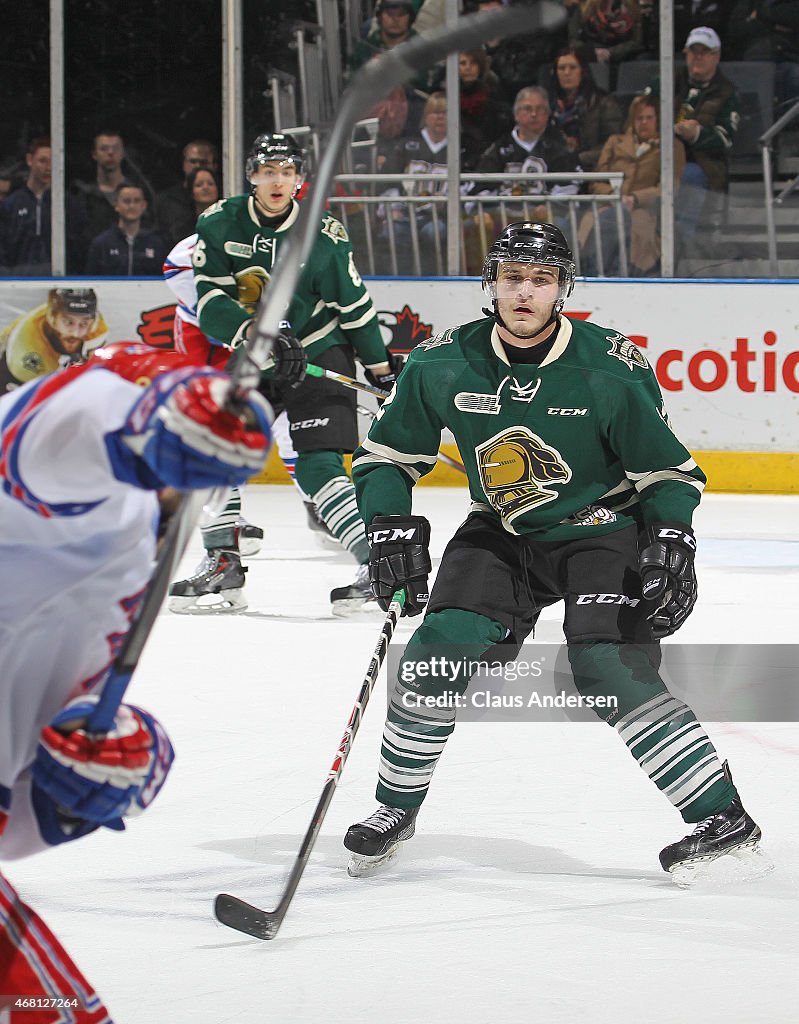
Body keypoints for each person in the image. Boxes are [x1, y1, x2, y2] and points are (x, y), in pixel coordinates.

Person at [343, 221, 763, 881]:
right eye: (511, 277)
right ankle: (394, 808)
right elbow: (386, 456)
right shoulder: (440, 360)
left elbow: (667, 473)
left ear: (562, 288)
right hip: (503, 530)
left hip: (604, 528)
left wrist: (671, 535)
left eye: (540, 279)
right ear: (490, 284)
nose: (524, 292)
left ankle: (719, 815)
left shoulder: (608, 366)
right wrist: (388, 521)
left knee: (604, 664)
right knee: (432, 652)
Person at [0, 340, 272, 1015]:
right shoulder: (94, 497)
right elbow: (37, 439)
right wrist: (132, 430)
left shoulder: (130, 549)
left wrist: (75, 793)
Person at [167, 132, 399, 616]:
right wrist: (255, 333)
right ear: (251, 175)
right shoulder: (218, 221)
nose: (278, 181)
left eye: (287, 172)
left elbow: (353, 305)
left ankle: (375, 567)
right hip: (257, 350)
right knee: (214, 447)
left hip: (319, 346)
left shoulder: (323, 233)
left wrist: (379, 367)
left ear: (299, 180)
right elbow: (209, 300)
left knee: (317, 466)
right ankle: (222, 563)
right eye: (268, 171)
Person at [642, 26, 740, 247]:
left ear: (716, 56)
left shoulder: (727, 92)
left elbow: (725, 138)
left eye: (704, 52)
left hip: (702, 162)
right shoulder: (666, 80)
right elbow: (641, 112)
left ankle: (677, 244)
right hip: (657, 153)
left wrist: (697, 134)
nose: (697, 57)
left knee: (688, 175)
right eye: (693, 51)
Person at [578, 95, 685, 275]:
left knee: (636, 230)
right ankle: (589, 272)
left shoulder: (672, 146)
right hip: (608, 204)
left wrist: (635, 199)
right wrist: (614, 197)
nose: (644, 123)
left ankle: (623, 274)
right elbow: (597, 181)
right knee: (593, 222)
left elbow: (668, 187)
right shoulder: (614, 142)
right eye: (639, 118)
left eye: (649, 118)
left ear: (658, 120)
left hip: (644, 210)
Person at [378, 91, 452, 275]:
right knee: (392, 232)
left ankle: (436, 282)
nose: (440, 118)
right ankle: (398, 282)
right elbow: (388, 180)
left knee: (435, 232)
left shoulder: (460, 147)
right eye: (435, 112)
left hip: (439, 217)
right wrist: (391, 209)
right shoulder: (407, 145)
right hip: (405, 213)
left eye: (445, 112)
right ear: (426, 116)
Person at [0, 137, 86, 275]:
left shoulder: (69, 205)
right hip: (17, 283)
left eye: (54, 162)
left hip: (60, 283)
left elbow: (78, 250)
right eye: (43, 161)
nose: (49, 167)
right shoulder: (11, 205)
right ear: (30, 160)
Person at [0, 287, 108, 394]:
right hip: (16, 370)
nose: (76, 333)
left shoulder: (96, 328)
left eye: (84, 323)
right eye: (68, 322)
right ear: (52, 319)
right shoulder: (29, 350)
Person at [548, 45, 623, 170]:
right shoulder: (546, 104)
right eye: (561, 68)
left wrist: (579, 158)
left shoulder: (603, 102)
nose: (567, 73)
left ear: (582, 72)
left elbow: (614, 143)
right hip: (551, 167)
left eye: (572, 67)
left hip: (591, 168)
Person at [71, 130, 154, 244]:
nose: (110, 153)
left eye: (115, 148)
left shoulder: (138, 191)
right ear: (94, 154)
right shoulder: (84, 193)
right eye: (104, 149)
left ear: (123, 153)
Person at [85, 181, 166, 276]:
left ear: (144, 205)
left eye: (137, 201)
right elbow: (91, 281)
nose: (132, 206)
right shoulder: (101, 244)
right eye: (126, 201)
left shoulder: (155, 244)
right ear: (116, 205)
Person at [154, 139, 220, 251]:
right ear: (184, 164)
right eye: (193, 162)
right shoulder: (165, 200)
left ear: (214, 165)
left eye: (203, 162)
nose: (198, 166)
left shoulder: (226, 200)